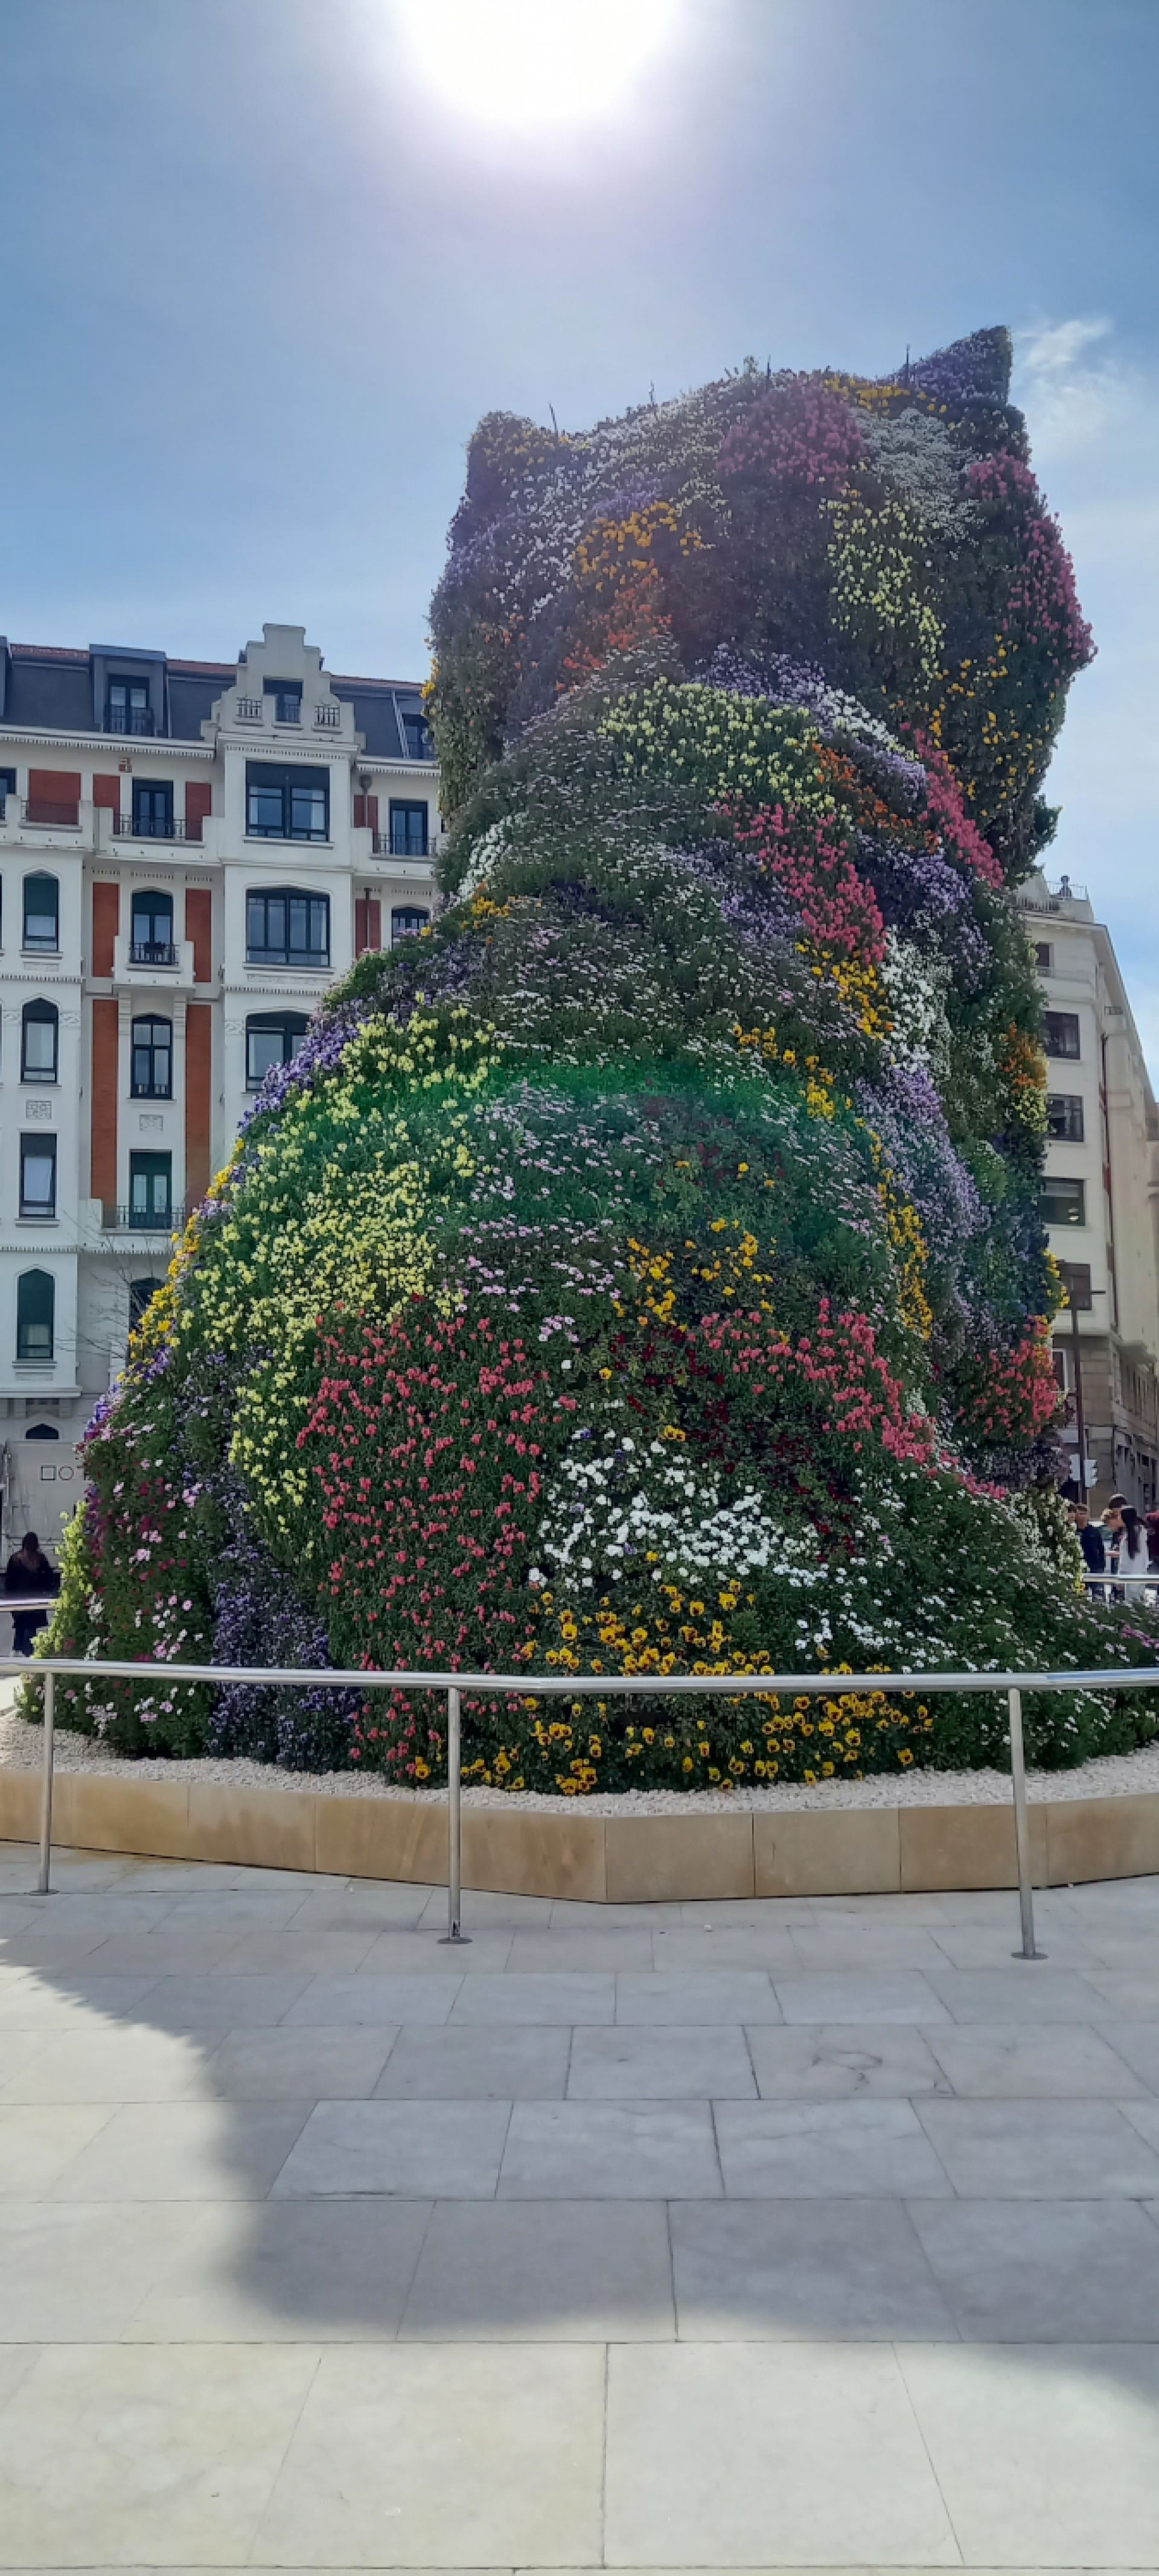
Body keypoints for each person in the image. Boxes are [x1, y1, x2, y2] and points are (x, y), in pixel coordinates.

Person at [3, 1531, 59, 1657]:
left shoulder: (24, 1560)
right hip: (28, 1600)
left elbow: (49, 1579)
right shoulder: (22, 1561)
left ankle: (20, 1654)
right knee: (25, 1629)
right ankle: (23, 1655)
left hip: (27, 1601)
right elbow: (10, 1583)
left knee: (25, 1629)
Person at [1070, 1501, 1106, 1597]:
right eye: (1080, 1514)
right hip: (1080, 1569)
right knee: (1081, 1597)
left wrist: (1102, 1566)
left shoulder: (1094, 1531)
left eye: (1084, 1514)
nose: (1083, 1516)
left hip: (1095, 1568)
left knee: (1099, 1597)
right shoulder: (1072, 1531)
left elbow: (1101, 1549)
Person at [1118, 1504, 1152, 1602]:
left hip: (1130, 1576)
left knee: (1132, 1604)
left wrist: (1121, 1576)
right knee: (1139, 1602)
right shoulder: (1140, 1533)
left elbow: (1125, 1560)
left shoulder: (1131, 1536)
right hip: (1141, 1574)